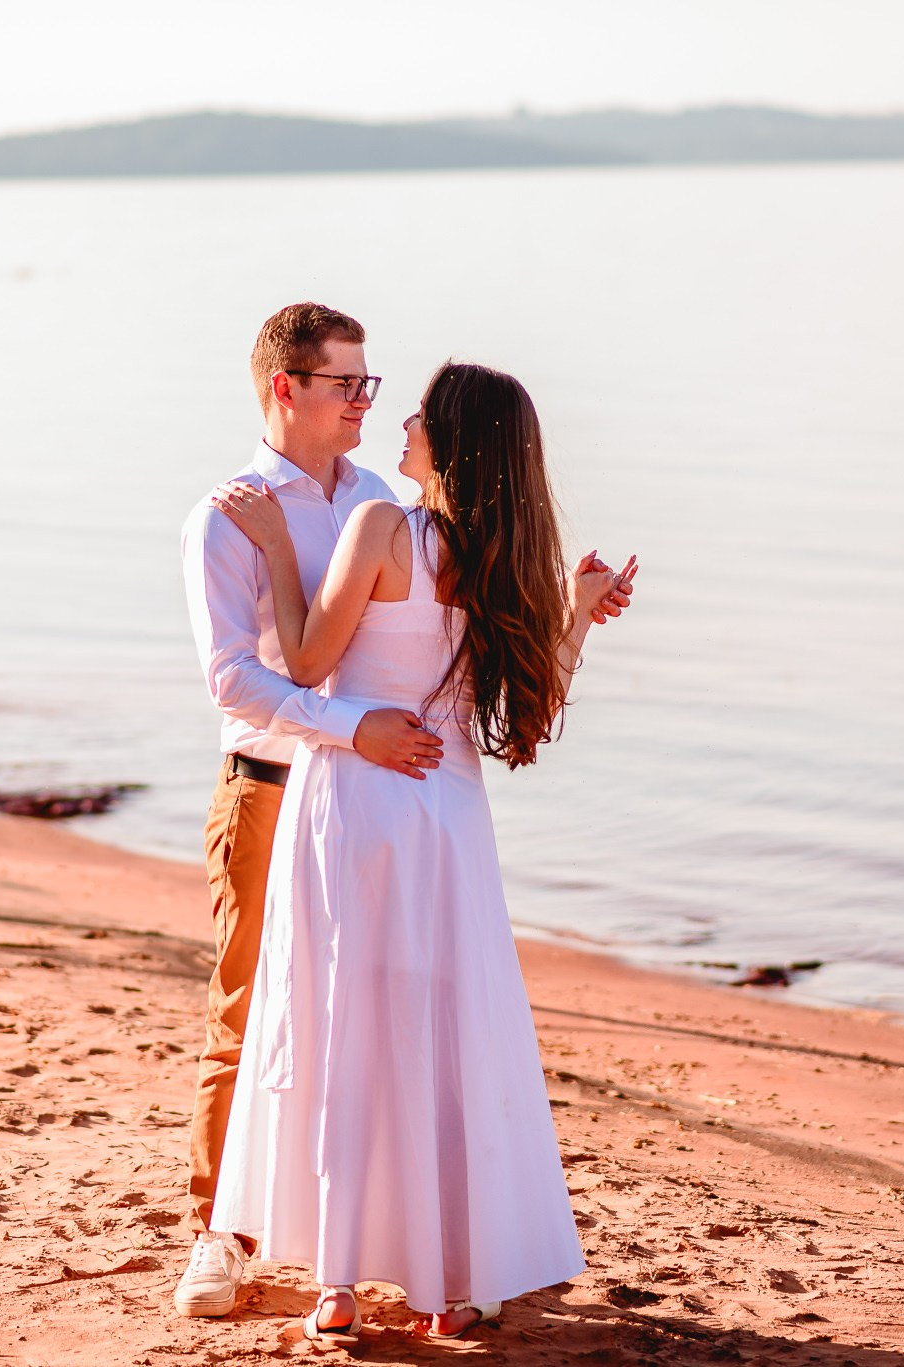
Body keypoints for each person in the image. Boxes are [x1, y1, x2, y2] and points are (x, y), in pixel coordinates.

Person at [207, 361, 639, 1340]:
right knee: (438, 1035)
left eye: (422, 412)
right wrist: (577, 610)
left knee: (344, 1024)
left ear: (452, 441)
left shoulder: (378, 527)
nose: (402, 420)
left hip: (355, 800)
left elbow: (305, 661)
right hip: (446, 818)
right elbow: (528, 719)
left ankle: (338, 1282)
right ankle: (444, 1286)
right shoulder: (502, 563)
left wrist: (274, 546)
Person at [174, 302, 451, 1319]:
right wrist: (347, 727)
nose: (365, 402)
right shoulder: (226, 515)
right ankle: (218, 1234)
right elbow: (233, 679)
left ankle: (368, 1232)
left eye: (369, 383)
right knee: (249, 1013)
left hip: (372, 805)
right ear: (285, 387)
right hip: (271, 788)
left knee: (370, 1017)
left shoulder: (382, 498)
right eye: (346, 384)